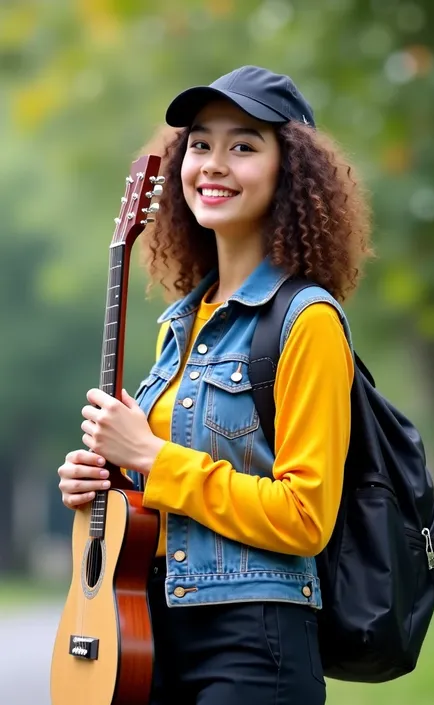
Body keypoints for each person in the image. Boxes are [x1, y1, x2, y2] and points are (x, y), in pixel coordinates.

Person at [57, 65, 372, 705]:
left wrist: (150, 454)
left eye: (244, 146)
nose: (213, 164)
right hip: (147, 630)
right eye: (200, 144)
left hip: (254, 642)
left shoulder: (306, 321)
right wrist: (106, 483)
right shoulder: (181, 324)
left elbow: (306, 516)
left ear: (291, 173)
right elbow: (165, 500)